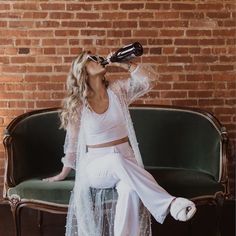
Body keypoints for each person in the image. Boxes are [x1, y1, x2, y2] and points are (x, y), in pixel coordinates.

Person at [43, 51, 197, 236]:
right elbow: (72, 144)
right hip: (95, 167)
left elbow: (149, 80)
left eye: (96, 57)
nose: (97, 59)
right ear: (82, 69)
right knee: (115, 160)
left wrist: (124, 64)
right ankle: (170, 203)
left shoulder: (117, 91)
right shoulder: (78, 104)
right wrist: (63, 173)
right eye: (91, 59)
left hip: (127, 161)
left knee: (130, 190)